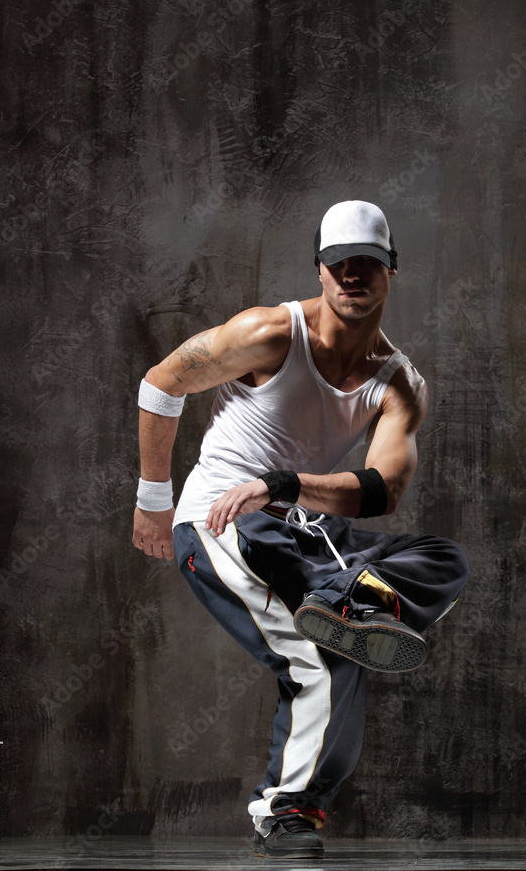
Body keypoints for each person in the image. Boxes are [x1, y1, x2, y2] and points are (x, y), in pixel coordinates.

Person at [132, 200, 468, 859]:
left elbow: (381, 491)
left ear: (390, 270)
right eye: (338, 263)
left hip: (299, 523)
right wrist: (152, 501)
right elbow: (162, 383)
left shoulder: (398, 384)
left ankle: (347, 605)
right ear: (319, 269)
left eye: (366, 263)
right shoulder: (269, 333)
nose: (351, 276)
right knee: (320, 658)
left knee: (441, 560)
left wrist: (283, 486)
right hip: (222, 520)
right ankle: (287, 813)